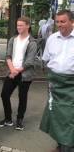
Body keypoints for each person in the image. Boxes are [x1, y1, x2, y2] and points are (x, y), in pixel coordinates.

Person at [40, 10, 74, 152]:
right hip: (54, 84)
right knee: (56, 116)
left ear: (72, 21)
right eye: (57, 22)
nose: (59, 25)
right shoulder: (52, 38)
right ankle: (61, 144)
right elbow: (46, 59)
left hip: (71, 85)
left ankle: (67, 146)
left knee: (69, 118)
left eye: (63, 21)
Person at [0, 16, 37, 131]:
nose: (18, 27)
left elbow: (29, 61)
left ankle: (19, 120)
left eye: (21, 25)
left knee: (22, 97)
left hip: (24, 74)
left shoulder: (32, 42)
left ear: (28, 26)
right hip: (12, 71)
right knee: (4, 94)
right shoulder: (13, 39)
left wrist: (17, 71)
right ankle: (8, 119)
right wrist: (12, 69)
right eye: (17, 25)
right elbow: (8, 56)